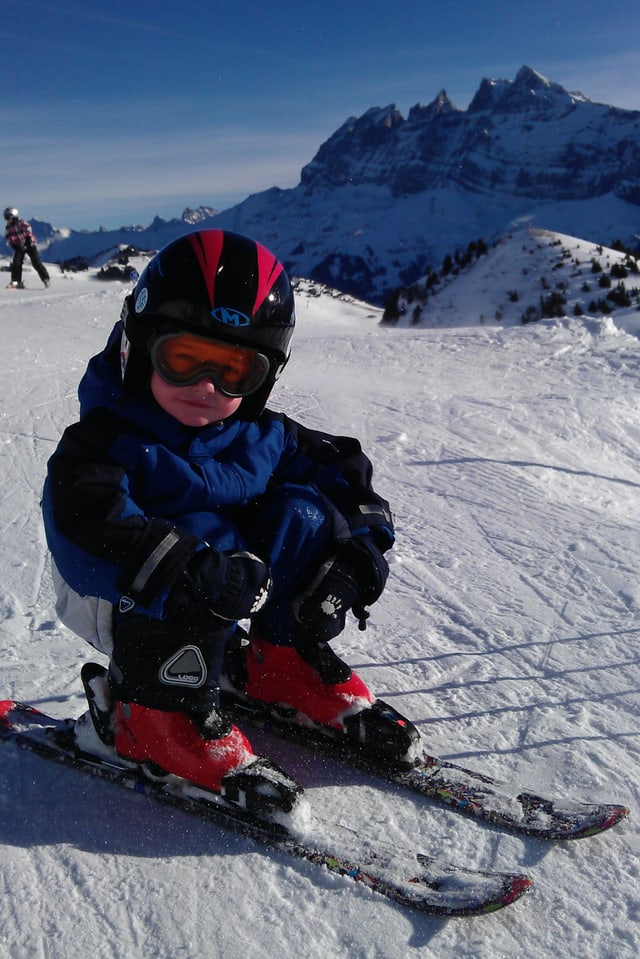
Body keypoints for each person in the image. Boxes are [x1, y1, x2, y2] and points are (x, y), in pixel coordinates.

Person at [42, 229, 419, 817]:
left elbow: (341, 473)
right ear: (141, 348)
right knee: (204, 536)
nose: (207, 388)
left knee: (305, 512)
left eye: (234, 371)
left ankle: (281, 664)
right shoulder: (107, 442)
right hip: (118, 598)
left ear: (262, 377)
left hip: (224, 579)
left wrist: (357, 555)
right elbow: (86, 525)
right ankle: (152, 715)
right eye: (184, 360)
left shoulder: (258, 434)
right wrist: (188, 570)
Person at [4, 207, 50, 289]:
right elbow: (8, 237)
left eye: (8, 218)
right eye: (6, 218)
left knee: (36, 262)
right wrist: (13, 244)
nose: (7, 220)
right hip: (19, 246)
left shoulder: (21, 222)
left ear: (14, 216)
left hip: (30, 244)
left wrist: (28, 240)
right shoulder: (8, 227)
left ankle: (46, 279)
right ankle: (16, 282)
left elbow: (28, 229)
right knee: (16, 263)